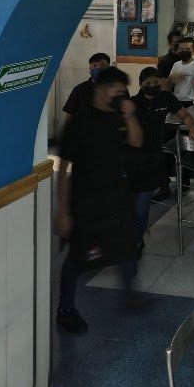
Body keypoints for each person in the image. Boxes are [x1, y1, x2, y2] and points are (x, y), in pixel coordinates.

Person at [55, 67, 143, 333]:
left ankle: (130, 297)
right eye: (112, 92)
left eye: (121, 93)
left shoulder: (119, 117)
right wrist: (63, 212)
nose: (116, 97)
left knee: (128, 249)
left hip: (116, 198)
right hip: (86, 201)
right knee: (78, 259)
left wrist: (129, 117)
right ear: (99, 90)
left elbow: (137, 142)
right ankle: (66, 309)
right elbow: (63, 169)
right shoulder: (79, 124)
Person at [130, 66, 194, 225]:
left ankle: (139, 232)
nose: (153, 86)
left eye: (156, 82)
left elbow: (185, 115)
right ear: (140, 84)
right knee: (136, 198)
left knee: (145, 198)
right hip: (135, 154)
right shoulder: (133, 102)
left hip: (155, 151)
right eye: (148, 83)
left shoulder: (166, 98)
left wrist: (192, 127)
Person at [63, 52, 111, 118]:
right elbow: (69, 116)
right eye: (94, 66)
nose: (98, 68)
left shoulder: (118, 90)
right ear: (90, 68)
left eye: (102, 66)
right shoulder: (79, 90)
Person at [168, 38, 194, 108]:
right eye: (181, 49)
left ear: (193, 51)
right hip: (177, 101)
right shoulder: (176, 65)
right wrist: (172, 78)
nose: (184, 51)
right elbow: (169, 84)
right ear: (178, 51)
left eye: (188, 49)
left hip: (191, 101)